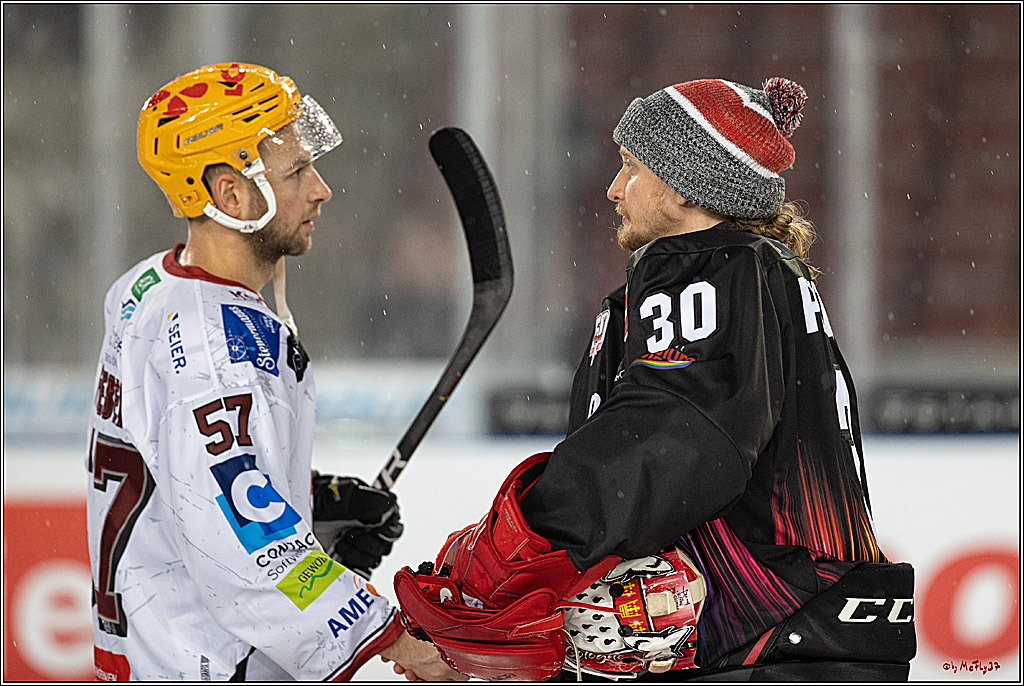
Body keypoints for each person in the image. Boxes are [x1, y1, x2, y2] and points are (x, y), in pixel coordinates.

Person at [393, 77, 916, 681]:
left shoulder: (712, 269)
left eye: (632, 166)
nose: (614, 188)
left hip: (769, 644)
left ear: (687, 186)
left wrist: (494, 570)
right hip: (786, 641)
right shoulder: (748, 279)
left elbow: (668, 441)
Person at [86, 62, 463, 681]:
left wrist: (304, 499)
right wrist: (388, 633)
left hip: (155, 650)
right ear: (231, 196)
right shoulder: (215, 353)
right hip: (205, 664)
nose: (321, 188)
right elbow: (246, 548)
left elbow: (189, 478)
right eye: (295, 172)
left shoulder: (150, 286)